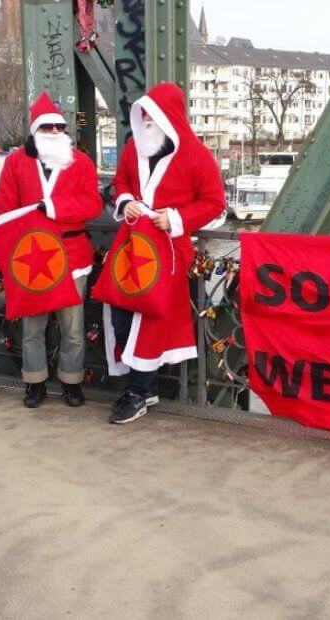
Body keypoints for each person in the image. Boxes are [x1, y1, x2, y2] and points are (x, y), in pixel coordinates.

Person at [104, 82, 226, 424]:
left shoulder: (197, 154)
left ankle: (137, 392)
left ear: (167, 116)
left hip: (170, 251)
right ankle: (146, 386)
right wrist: (126, 203)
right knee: (121, 315)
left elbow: (215, 203)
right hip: (131, 247)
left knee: (150, 320)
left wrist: (173, 218)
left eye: (151, 115)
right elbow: (121, 182)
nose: (145, 121)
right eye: (142, 115)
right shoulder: (134, 148)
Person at [0, 93, 102, 408]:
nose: (55, 133)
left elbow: (92, 204)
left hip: (72, 256)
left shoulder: (80, 162)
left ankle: (71, 382)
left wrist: (54, 206)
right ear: (35, 132)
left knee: (73, 328)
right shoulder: (15, 162)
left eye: (60, 128)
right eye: (48, 128)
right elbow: (5, 210)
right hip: (33, 256)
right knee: (33, 325)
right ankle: (35, 382)